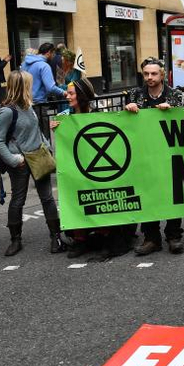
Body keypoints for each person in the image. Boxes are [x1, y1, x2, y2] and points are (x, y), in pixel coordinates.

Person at [56, 78, 131, 261]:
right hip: (77, 169)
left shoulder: (98, 114)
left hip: (98, 169)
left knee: (101, 201)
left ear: (81, 95)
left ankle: (105, 238)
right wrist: (57, 128)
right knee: (77, 201)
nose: (67, 96)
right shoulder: (66, 116)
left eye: (71, 93)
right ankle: (80, 239)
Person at [0, 70, 65, 256]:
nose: (32, 87)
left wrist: (47, 147)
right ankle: (15, 240)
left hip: (39, 157)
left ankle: (56, 236)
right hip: (21, 163)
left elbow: (37, 131)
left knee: (47, 198)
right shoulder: (7, 112)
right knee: (18, 200)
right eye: (29, 84)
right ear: (22, 86)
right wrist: (14, 160)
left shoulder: (28, 106)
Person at [125, 57, 184, 256]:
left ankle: (173, 235)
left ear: (162, 75)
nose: (150, 77)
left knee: (172, 193)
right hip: (144, 154)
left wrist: (173, 112)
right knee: (147, 193)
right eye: (146, 74)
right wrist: (128, 110)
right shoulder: (134, 95)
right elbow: (124, 125)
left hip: (171, 154)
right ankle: (151, 237)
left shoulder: (176, 96)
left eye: (154, 73)